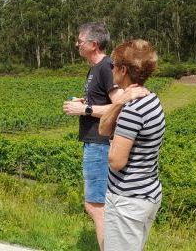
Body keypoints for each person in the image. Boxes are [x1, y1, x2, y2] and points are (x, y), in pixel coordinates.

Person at [63, 22, 148, 250]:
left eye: (79, 41)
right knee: (97, 205)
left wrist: (85, 110)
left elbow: (120, 105)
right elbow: (108, 102)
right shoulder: (96, 69)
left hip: (100, 145)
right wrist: (86, 103)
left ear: (93, 44)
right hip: (94, 143)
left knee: (97, 206)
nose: (76, 45)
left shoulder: (105, 67)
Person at [100, 39, 165, 251]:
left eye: (113, 65)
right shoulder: (151, 100)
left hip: (127, 200)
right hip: (147, 193)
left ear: (123, 69)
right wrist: (119, 101)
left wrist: (120, 104)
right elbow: (103, 130)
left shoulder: (132, 110)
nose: (111, 69)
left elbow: (116, 161)